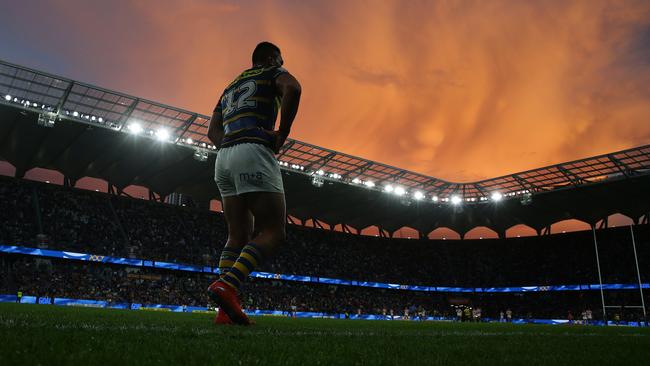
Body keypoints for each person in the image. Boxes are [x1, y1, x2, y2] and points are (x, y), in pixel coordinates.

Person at [206, 41, 302, 325]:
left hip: (224, 158)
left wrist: (231, 144)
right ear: (272, 58)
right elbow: (293, 88)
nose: (282, 63)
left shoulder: (231, 86)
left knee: (237, 235)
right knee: (274, 231)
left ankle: (224, 312)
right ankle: (228, 285)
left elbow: (212, 130)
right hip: (254, 150)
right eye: (280, 59)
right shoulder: (271, 72)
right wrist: (281, 133)